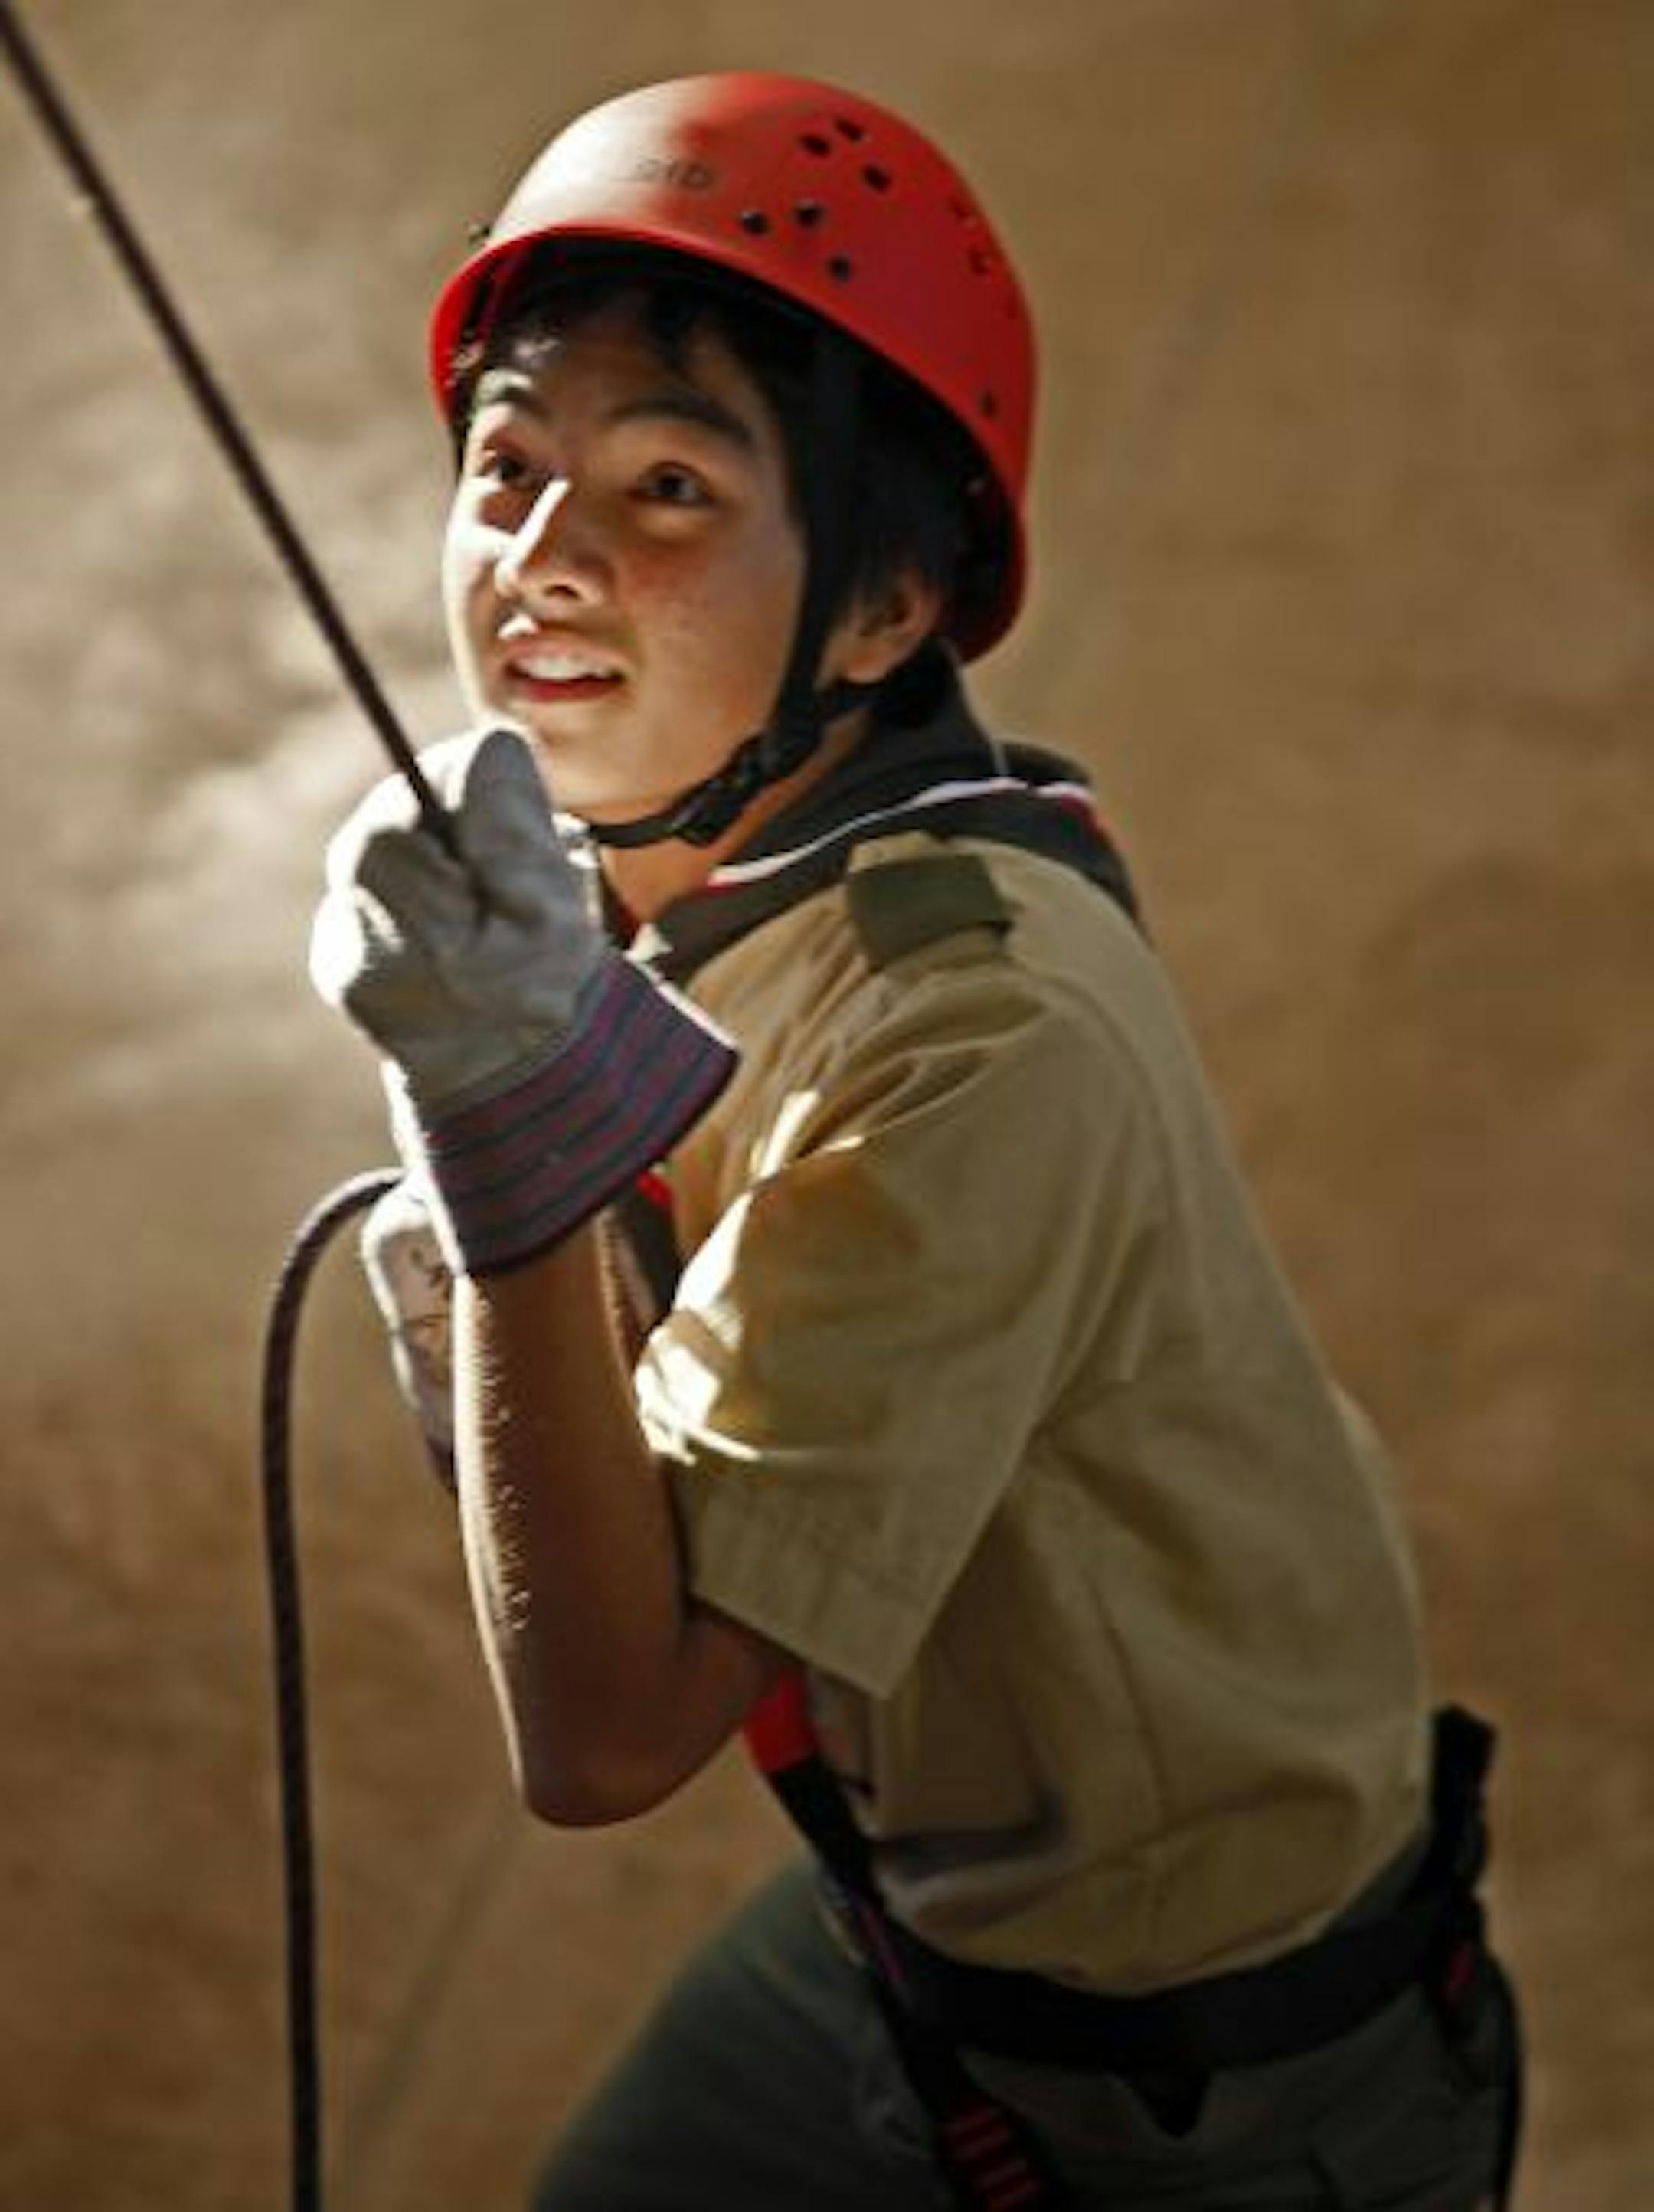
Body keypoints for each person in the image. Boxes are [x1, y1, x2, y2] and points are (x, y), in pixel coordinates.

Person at [310, 73, 1521, 2210]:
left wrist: (503, 1153)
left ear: (884, 614)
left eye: (668, 485)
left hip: (1201, 2078)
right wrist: (510, 1114)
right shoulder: (692, 873)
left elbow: (606, 1728)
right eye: (508, 464)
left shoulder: (981, 1026)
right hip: (913, 1922)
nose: (538, 559)